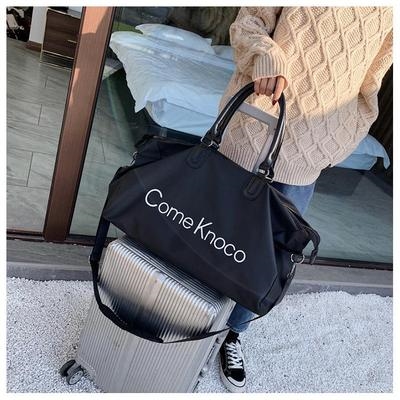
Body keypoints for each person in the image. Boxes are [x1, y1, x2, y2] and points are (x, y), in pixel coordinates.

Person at [217, 6, 393, 392]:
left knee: (271, 254)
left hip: (307, 153)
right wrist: (265, 53)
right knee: (208, 227)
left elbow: (370, 84)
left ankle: (233, 333)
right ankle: (186, 313)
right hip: (251, 125)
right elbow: (248, 23)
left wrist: (339, 139)